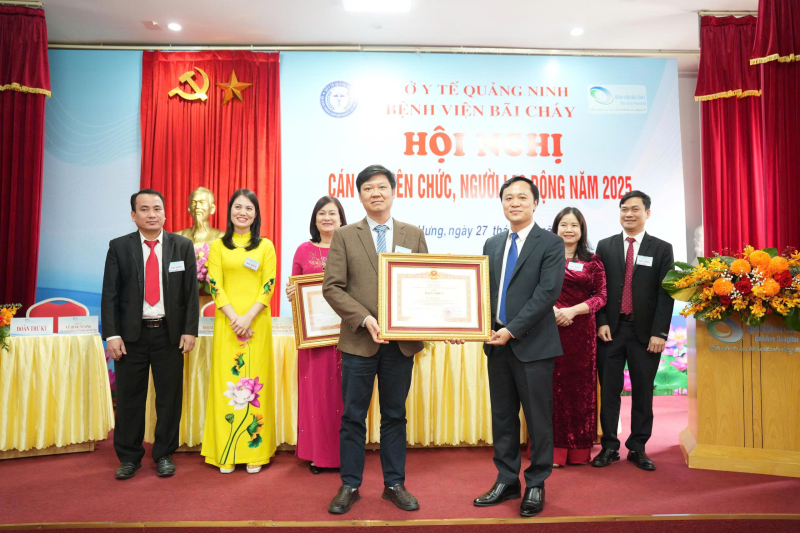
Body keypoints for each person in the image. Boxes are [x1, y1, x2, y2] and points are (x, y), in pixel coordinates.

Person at [322, 164, 428, 514]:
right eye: (368, 188)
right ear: (360, 195)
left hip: (401, 345)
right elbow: (332, 287)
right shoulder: (344, 235)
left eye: (382, 186)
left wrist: (445, 325)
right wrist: (365, 319)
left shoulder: (414, 234)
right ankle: (350, 485)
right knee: (353, 416)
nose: (376, 193)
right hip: (359, 342)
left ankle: (394, 484)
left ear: (393, 192)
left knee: (395, 415)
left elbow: (427, 284)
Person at [473, 176, 565, 517]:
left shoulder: (551, 243)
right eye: (508, 197)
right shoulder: (492, 243)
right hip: (497, 344)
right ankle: (507, 479)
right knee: (503, 418)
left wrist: (512, 330)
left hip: (533, 345)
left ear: (535, 203)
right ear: (502, 203)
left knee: (538, 420)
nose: (514, 203)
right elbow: (482, 291)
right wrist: (472, 324)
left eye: (522, 197)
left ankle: (537, 483)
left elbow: (547, 293)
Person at [101, 189, 199, 480]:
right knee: (130, 399)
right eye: (144, 209)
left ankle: (164, 454)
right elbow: (110, 294)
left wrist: (189, 330)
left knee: (169, 398)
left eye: (157, 208)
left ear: (165, 214)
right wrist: (112, 335)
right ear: (133, 215)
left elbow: (190, 293)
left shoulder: (182, 246)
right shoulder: (119, 247)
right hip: (132, 336)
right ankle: (129, 457)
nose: (151, 214)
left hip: (169, 334)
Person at [593, 190, 674, 471]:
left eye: (635, 209)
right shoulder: (605, 246)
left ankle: (638, 447)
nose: (629, 214)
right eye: (624, 209)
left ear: (647, 213)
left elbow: (666, 293)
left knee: (643, 392)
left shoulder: (662, 248)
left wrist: (659, 333)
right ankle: (609, 446)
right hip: (611, 332)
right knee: (609, 391)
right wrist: (601, 321)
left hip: (645, 334)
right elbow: (599, 288)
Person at [200, 189, 278, 474]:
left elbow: (268, 285)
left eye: (248, 208)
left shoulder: (265, 246)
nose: (242, 212)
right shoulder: (218, 247)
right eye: (237, 207)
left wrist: (248, 318)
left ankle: (255, 452)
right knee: (228, 385)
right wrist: (236, 319)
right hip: (228, 324)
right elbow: (214, 285)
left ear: (256, 214)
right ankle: (227, 451)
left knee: (256, 385)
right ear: (229, 211)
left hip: (257, 323)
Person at [285, 195, 347, 474]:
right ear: (314, 219)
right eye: (322, 213)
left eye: (332, 213)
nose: (327, 218)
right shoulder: (302, 250)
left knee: (342, 396)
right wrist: (292, 293)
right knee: (315, 396)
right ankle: (316, 455)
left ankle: (344, 455)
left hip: (345, 336)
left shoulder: (351, 247)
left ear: (341, 219)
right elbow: (295, 288)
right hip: (313, 338)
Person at [547, 207, 607, 467]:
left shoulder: (593, 261)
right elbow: (532, 290)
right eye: (564, 224)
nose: (568, 230)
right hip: (547, 330)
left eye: (574, 225)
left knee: (579, 392)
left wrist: (572, 311)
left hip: (581, 335)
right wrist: (553, 311)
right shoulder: (543, 257)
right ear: (555, 228)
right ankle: (551, 451)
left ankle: (578, 450)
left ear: (582, 230)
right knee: (549, 391)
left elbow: (601, 296)